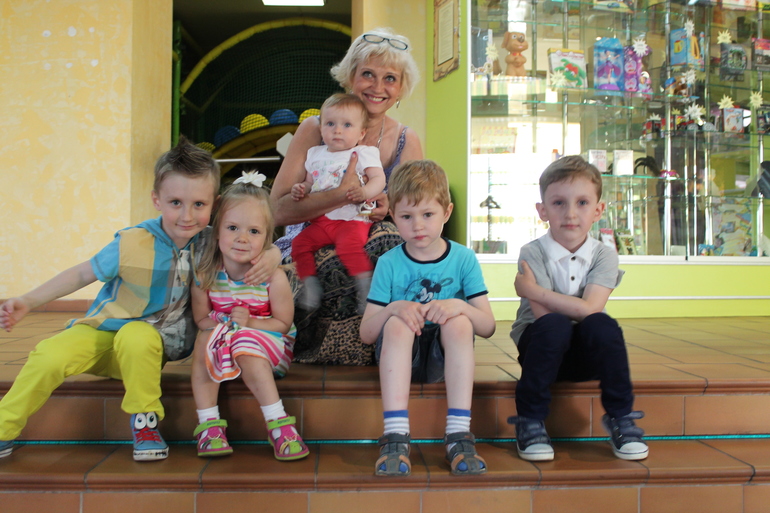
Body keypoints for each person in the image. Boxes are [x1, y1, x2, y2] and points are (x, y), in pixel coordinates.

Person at [0, 137, 219, 461]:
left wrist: (271, 256)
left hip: (145, 349)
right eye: (176, 202)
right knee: (48, 354)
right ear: (156, 200)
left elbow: (257, 245)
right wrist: (29, 301)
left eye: (199, 204)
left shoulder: (214, 243)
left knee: (136, 336)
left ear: (214, 203)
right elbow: (81, 274)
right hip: (102, 335)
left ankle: (145, 422)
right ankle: (3, 428)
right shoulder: (132, 241)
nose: (187, 215)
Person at [268, 28, 423, 365]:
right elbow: (276, 211)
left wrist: (391, 209)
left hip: (367, 234)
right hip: (312, 233)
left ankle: (389, 348)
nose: (378, 87)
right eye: (367, 74)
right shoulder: (315, 128)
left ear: (401, 88)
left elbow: (418, 216)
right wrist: (341, 195)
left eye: (390, 78)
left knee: (393, 246)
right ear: (350, 76)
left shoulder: (406, 140)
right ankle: (319, 344)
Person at [507, 155, 649, 462]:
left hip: (586, 356)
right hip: (541, 352)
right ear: (542, 210)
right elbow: (545, 317)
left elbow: (591, 309)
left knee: (603, 325)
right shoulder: (532, 252)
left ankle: (621, 417)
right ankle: (530, 419)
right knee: (555, 325)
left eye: (582, 203)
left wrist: (534, 291)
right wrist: (572, 306)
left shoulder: (604, 255)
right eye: (558, 203)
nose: (570, 213)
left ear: (598, 210)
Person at [360, 160, 496, 476]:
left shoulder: (463, 258)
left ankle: (458, 434)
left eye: (428, 215)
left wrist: (459, 306)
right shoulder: (389, 262)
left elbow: (488, 326)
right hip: (400, 355)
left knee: (460, 321)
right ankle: (395, 437)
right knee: (396, 322)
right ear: (393, 216)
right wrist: (394, 308)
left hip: (443, 359)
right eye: (407, 216)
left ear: (446, 213)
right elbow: (367, 333)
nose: (418, 226)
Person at [190, 171, 309, 461]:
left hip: (270, 346)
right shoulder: (206, 275)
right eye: (232, 228)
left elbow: (282, 324)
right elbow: (202, 320)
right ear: (217, 230)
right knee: (205, 339)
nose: (242, 238)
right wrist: (223, 325)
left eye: (254, 231)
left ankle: (278, 423)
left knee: (244, 342)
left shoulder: (273, 278)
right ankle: (209, 426)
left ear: (267, 238)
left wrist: (249, 323)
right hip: (224, 345)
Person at [290, 93, 386, 314]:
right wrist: (301, 188)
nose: (337, 130)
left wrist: (364, 192)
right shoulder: (315, 154)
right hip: (321, 222)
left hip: (351, 219)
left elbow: (379, 179)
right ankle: (310, 285)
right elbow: (310, 182)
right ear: (321, 128)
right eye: (330, 123)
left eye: (347, 125)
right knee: (300, 244)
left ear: (361, 133)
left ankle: (366, 288)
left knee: (348, 246)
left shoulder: (362, 152)